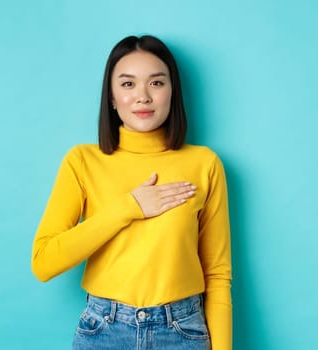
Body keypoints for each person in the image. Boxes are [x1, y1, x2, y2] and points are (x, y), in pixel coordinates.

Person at [30, 35, 232, 350]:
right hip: (104, 330)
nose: (142, 97)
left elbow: (217, 275)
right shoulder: (82, 161)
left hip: (182, 331)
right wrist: (128, 207)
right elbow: (43, 263)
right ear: (111, 97)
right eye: (127, 84)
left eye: (156, 83)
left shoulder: (204, 164)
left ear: (172, 92)